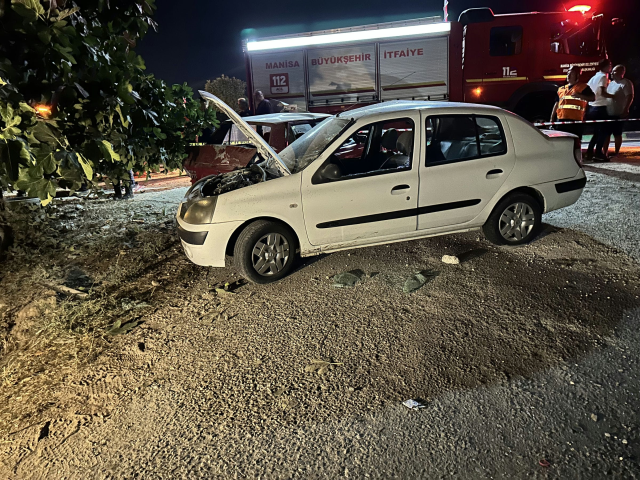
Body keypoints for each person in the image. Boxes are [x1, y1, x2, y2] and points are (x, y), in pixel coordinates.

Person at [550, 66, 594, 140]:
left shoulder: (583, 87)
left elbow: (593, 98)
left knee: (575, 143)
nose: (569, 75)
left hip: (575, 121)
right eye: (568, 73)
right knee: (562, 142)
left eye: (572, 73)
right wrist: (551, 119)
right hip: (561, 120)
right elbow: (556, 104)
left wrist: (580, 96)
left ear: (577, 75)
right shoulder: (561, 89)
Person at [586, 59, 614, 161]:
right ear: (605, 66)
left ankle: (589, 153)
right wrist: (614, 96)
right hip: (600, 107)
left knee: (596, 133)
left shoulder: (594, 77)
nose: (611, 67)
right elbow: (602, 93)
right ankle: (598, 153)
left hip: (592, 108)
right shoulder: (603, 77)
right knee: (603, 132)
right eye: (610, 65)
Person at [604, 64, 635, 158]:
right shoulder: (611, 83)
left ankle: (616, 152)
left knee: (617, 133)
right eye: (612, 71)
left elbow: (629, 96)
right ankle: (604, 152)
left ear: (622, 72)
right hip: (608, 112)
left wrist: (626, 109)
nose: (612, 73)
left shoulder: (626, 83)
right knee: (606, 133)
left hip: (618, 113)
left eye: (615, 71)